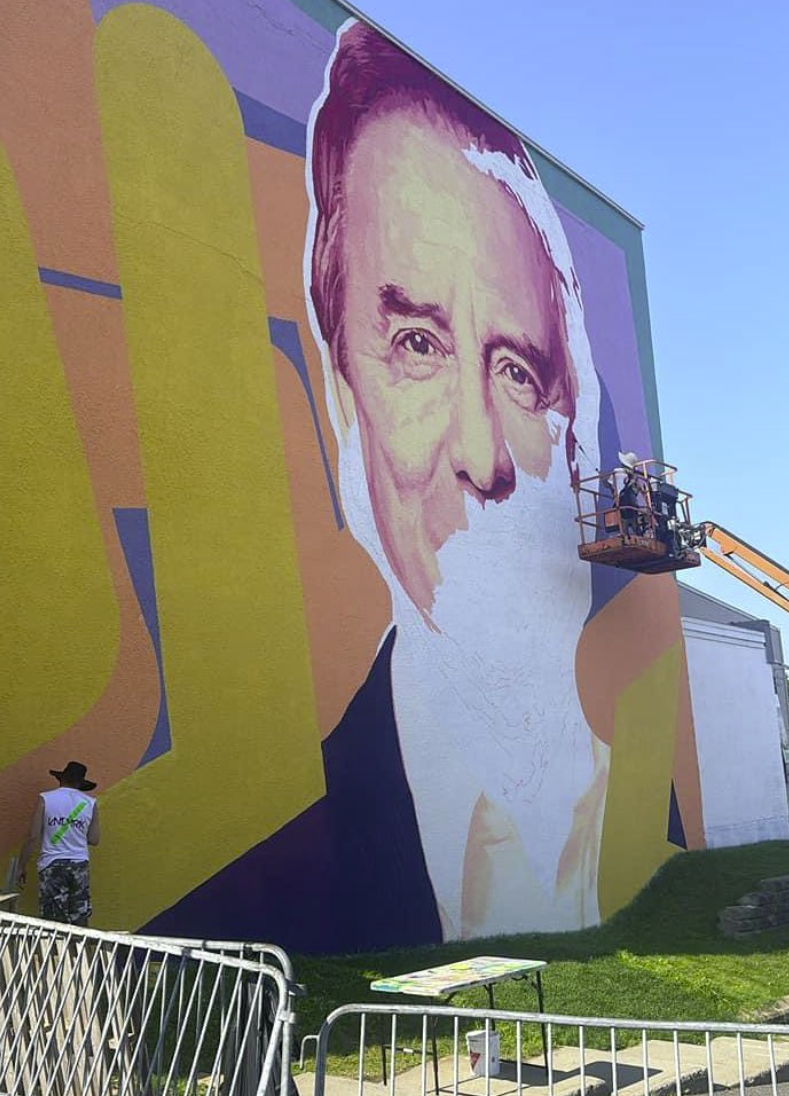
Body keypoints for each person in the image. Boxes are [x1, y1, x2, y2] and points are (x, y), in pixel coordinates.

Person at [148, 20, 609, 950]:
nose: (482, 457)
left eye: (519, 370)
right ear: (341, 399)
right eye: (416, 346)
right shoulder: (236, 925)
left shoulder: (655, 802)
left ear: (577, 421)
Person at [16, 761, 100, 926]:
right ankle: (77, 951)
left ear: (61, 779)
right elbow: (94, 839)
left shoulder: (46, 799)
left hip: (52, 865)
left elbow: (33, 836)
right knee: (79, 922)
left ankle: (55, 952)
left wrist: (21, 866)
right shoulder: (90, 803)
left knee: (53, 923)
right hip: (79, 865)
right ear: (80, 783)